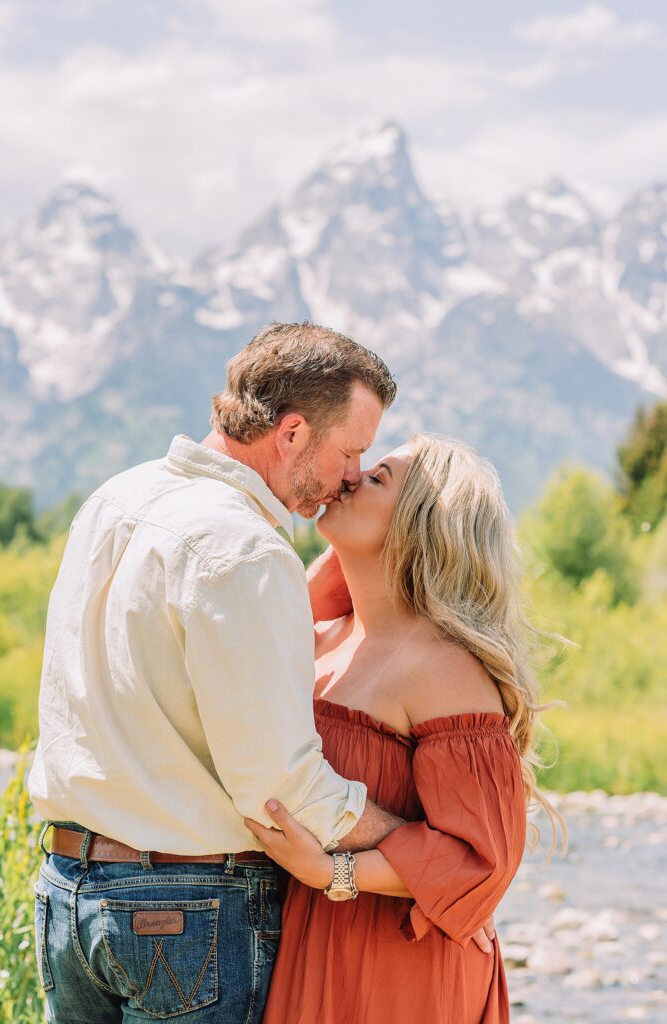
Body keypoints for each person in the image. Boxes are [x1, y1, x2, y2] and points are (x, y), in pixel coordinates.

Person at [28, 321, 415, 1024]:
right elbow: (281, 792)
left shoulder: (114, 499)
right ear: (293, 434)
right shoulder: (242, 549)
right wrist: (420, 849)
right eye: (351, 450)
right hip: (186, 911)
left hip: (66, 892)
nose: (354, 473)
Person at [245, 435, 567, 1024]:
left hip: (396, 960)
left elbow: (479, 860)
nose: (349, 477)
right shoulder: (330, 634)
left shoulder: (443, 668)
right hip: (313, 936)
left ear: (423, 523)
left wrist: (330, 872)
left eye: (378, 478)